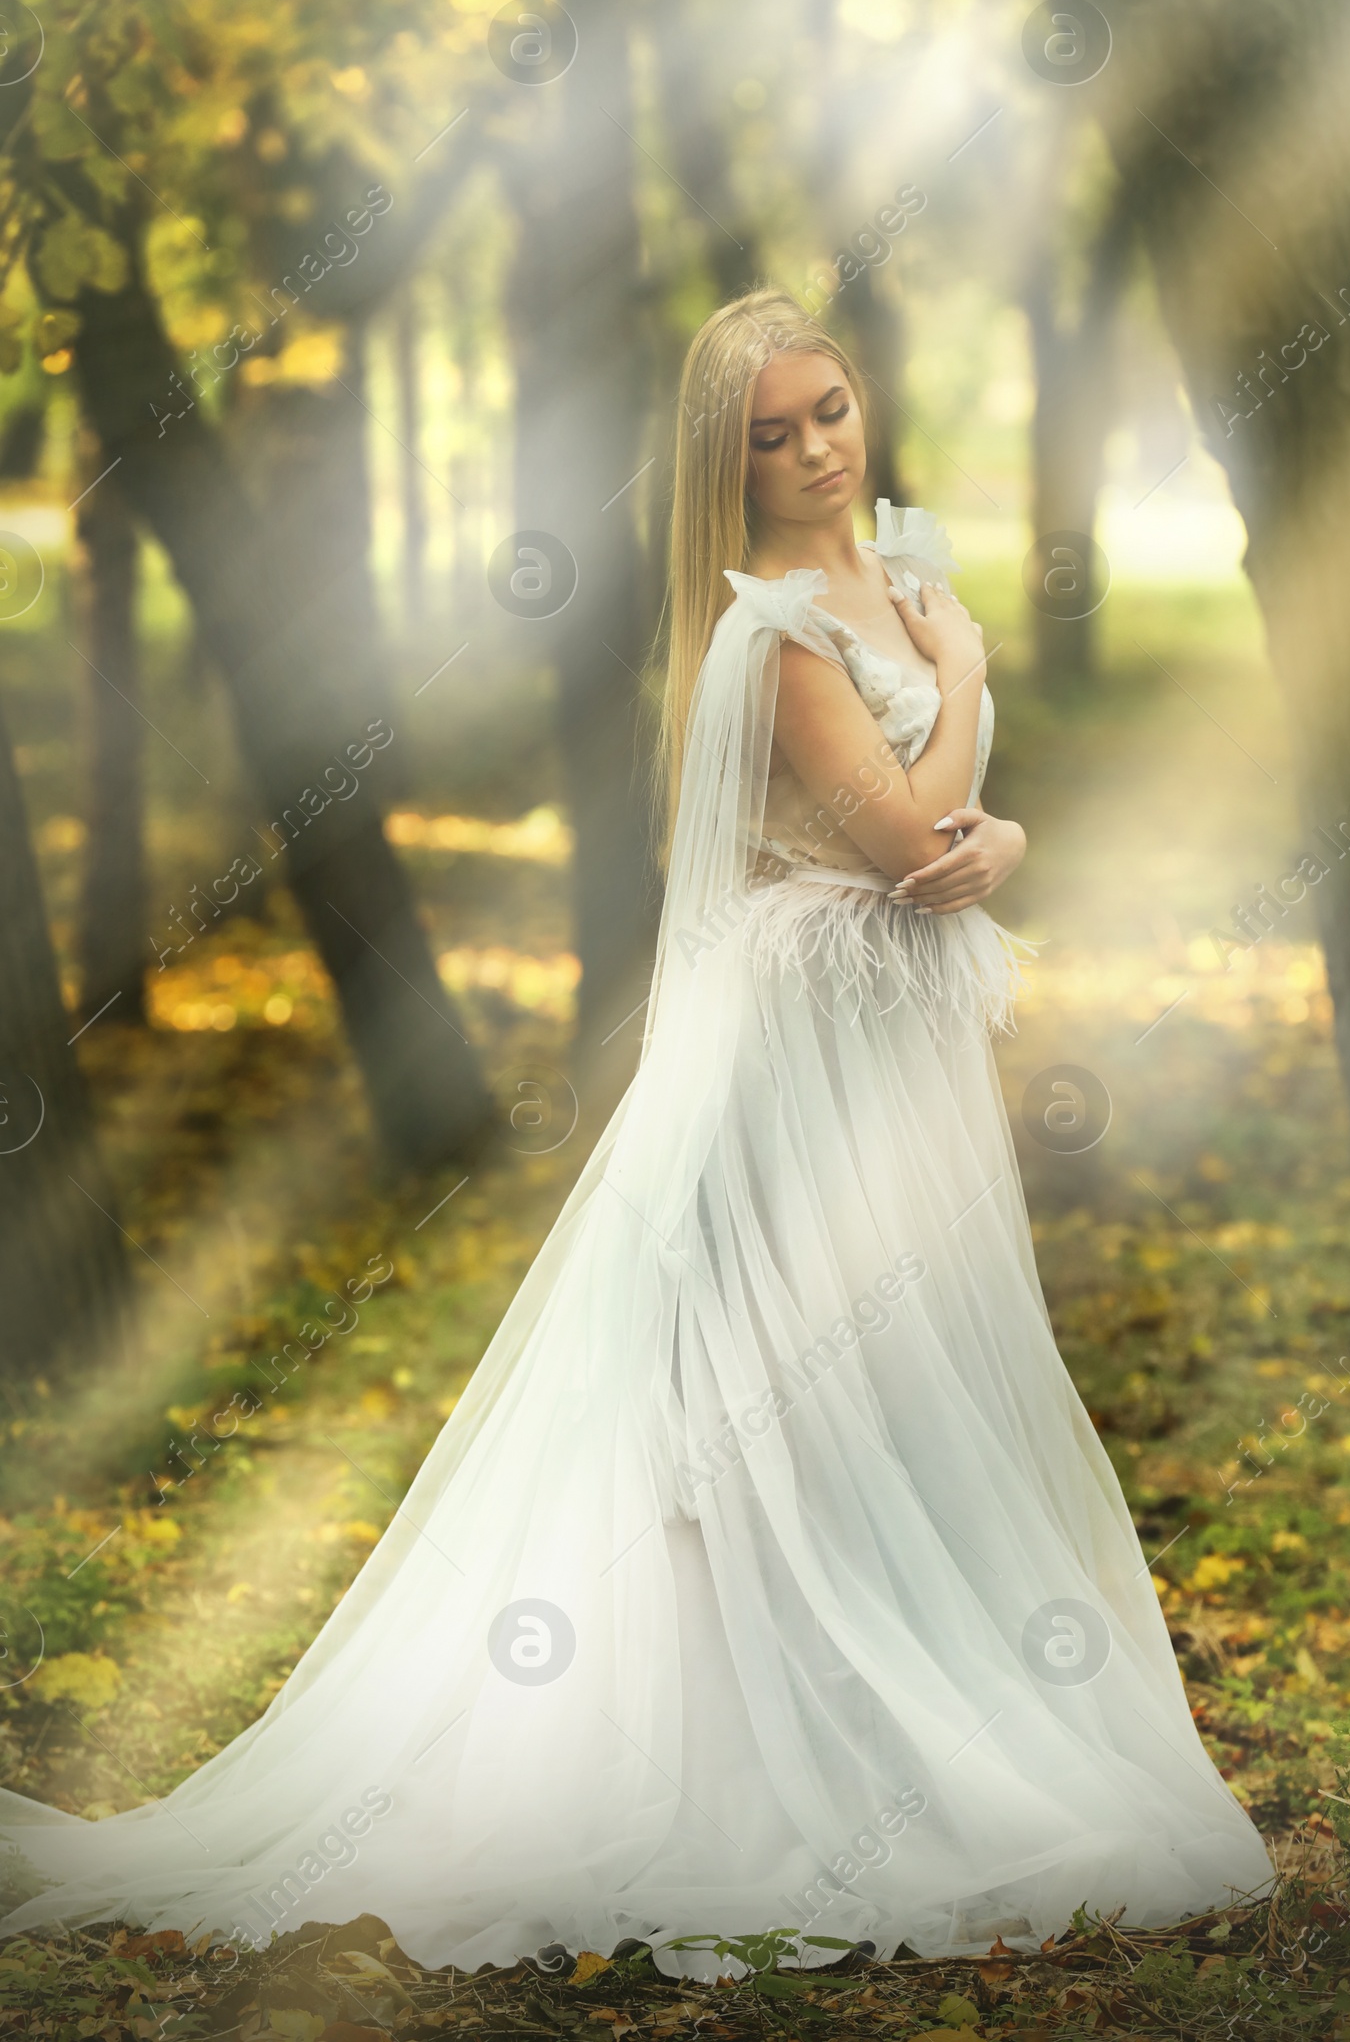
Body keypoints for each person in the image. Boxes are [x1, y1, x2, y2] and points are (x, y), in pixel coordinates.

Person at [0, 290, 1272, 1971]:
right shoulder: (772, 637)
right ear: (725, 466)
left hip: (883, 1051)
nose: (818, 450)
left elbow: (950, 836)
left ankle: (879, 1688)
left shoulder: (894, 581)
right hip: (796, 1056)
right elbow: (914, 842)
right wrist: (969, 701)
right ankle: (728, 1739)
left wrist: (985, 787)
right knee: (768, 1377)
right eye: (774, 435)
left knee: (889, 1383)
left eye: (831, 411)